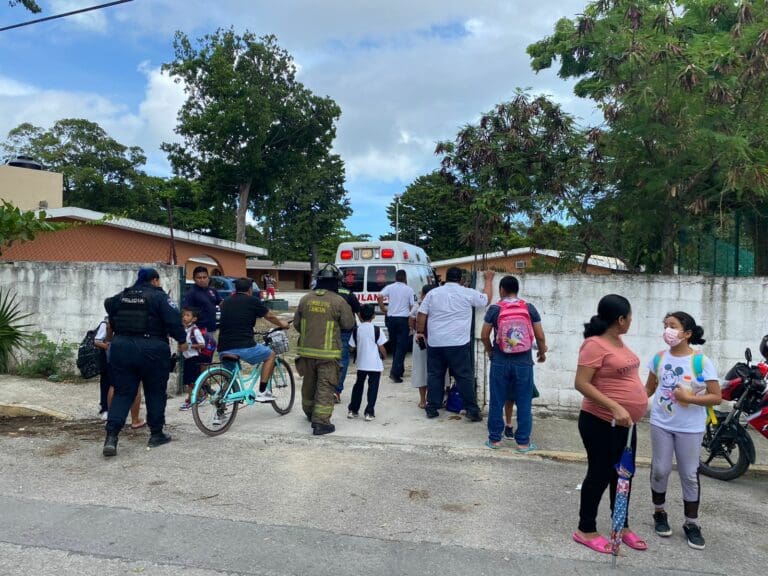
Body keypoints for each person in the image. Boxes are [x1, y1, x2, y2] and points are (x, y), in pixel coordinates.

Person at [572, 294, 648, 554]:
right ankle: (586, 529)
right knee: (600, 474)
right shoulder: (594, 344)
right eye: (629, 317)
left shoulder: (619, 341)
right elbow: (581, 383)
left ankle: (621, 526)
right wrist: (615, 407)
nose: (630, 321)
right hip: (601, 421)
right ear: (620, 319)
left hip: (626, 424)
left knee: (624, 475)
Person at [645, 311, 721, 550]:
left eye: (673, 326)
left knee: (689, 474)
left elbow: (716, 397)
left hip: (690, 428)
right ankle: (659, 512)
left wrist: (689, 398)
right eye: (665, 325)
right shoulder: (658, 358)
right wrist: (624, 403)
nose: (667, 330)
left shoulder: (700, 362)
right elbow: (647, 389)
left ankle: (691, 523)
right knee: (660, 469)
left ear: (687, 334)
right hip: (661, 423)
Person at [102, 267, 187, 457]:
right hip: (152, 349)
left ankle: (111, 436)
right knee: (155, 392)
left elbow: (108, 305)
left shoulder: (122, 296)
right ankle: (156, 434)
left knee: (123, 393)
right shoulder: (159, 297)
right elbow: (173, 321)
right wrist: (182, 340)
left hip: (121, 348)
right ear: (155, 280)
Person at [415, 267, 494, 421]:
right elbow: (486, 300)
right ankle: (472, 410)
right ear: (461, 279)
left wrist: (419, 332)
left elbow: (421, 314)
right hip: (458, 343)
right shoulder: (467, 292)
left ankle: (432, 408)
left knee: (435, 375)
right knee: (464, 376)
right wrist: (489, 280)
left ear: (446, 277)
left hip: (436, 342)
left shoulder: (433, 293)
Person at [480, 275, 547, 452]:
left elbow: (484, 335)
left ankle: (495, 440)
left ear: (501, 290)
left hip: (500, 360)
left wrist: (490, 351)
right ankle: (523, 443)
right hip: (524, 361)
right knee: (524, 402)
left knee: (496, 400)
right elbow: (539, 335)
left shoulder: (494, 309)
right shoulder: (529, 308)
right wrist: (541, 352)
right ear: (517, 290)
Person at [294, 264, 356, 435]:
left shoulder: (305, 299)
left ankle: (309, 413)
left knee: (309, 383)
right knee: (325, 385)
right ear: (336, 282)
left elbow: (297, 324)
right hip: (328, 354)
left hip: (307, 351)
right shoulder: (338, 301)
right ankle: (321, 422)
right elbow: (348, 323)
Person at [217, 277, 290, 402]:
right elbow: (269, 316)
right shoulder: (253, 300)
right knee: (270, 355)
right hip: (244, 346)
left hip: (223, 347)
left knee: (230, 378)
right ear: (250, 289)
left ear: (236, 289)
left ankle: (219, 410)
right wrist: (282, 324)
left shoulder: (226, 302)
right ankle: (262, 392)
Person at [95, 319, 145, 429]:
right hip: (136, 347)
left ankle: (111, 419)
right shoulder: (143, 306)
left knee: (114, 384)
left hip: (118, 346)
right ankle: (135, 420)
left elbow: (109, 327)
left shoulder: (118, 306)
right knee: (136, 385)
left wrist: (109, 341)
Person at [347, 304, 387, 421]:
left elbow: (351, 347)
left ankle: (353, 410)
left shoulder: (356, 330)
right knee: (373, 388)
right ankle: (369, 412)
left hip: (361, 364)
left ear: (359, 315)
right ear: (374, 316)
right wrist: (383, 357)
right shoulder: (377, 330)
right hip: (375, 365)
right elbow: (382, 347)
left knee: (358, 386)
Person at [377, 269, 416, 383]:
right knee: (402, 347)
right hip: (402, 320)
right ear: (405, 278)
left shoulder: (390, 287)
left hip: (391, 319)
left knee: (395, 346)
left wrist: (383, 308)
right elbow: (413, 304)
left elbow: (379, 296)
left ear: (395, 277)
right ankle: (395, 373)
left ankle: (400, 369)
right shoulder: (409, 289)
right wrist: (410, 314)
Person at [335, 282, 362, 403]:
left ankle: (322, 390)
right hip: (344, 331)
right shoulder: (349, 294)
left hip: (325, 331)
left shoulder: (326, 293)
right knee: (342, 360)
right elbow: (359, 314)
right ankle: (337, 391)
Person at [410, 285, 434, 409]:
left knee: (421, 369)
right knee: (435, 370)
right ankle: (433, 399)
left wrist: (417, 330)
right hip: (436, 340)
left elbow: (411, 320)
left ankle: (423, 400)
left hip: (420, 340)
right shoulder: (437, 304)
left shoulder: (418, 305)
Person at [178, 307, 207, 411]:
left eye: (187, 315)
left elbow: (202, 344)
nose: (184, 317)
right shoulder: (185, 329)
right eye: (184, 315)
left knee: (191, 381)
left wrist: (190, 346)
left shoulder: (195, 330)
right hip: (188, 358)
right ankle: (202, 396)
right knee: (190, 380)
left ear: (194, 319)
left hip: (194, 358)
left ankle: (190, 400)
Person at [182, 266, 222, 335]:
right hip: (198, 331)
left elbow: (220, 302)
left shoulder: (212, 290)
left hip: (212, 329)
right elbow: (186, 313)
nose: (202, 280)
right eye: (199, 278)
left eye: (204, 277)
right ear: (194, 279)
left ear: (208, 278)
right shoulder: (191, 293)